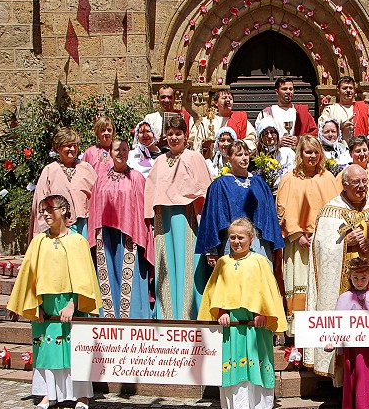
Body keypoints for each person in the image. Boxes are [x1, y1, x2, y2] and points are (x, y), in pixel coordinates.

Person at [305, 164, 369, 383]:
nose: (361, 186)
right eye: (356, 182)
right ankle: (347, 380)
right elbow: (319, 248)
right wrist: (344, 243)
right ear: (344, 185)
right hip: (345, 284)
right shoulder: (331, 211)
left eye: (364, 181)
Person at [8, 194, 101, 409]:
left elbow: (85, 277)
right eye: (43, 210)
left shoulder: (77, 241)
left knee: (74, 349)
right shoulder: (38, 241)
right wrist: (34, 304)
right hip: (45, 304)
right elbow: (29, 275)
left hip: (71, 303)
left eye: (50, 209)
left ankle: (81, 395)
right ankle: (47, 394)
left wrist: (73, 303)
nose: (45, 214)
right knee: (47, 350)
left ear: (63, 210)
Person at [198, 218, 287, 409]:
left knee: (255, 359)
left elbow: (267, 290)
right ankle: (237, 405)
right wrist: (221, 312)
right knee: (235, 359)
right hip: (232, 324)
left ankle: (258, 405)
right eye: (232, 238)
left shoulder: (260, 262)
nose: (236, 242)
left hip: (256, 324)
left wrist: (262, 312)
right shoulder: (223, 262)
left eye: (241, 237)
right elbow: (214, 291)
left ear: (251, 238)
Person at [144, 115, 212, 320]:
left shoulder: (194, 157)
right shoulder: (159, 161)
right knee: (166, 265)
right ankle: (167, 315)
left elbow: (204, 190)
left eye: (178, 134)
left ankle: (189, 314)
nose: (174, 138)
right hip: (163, 219)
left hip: (187, 217)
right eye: (170, 134)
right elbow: (151, 191)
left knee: (187, 266)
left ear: (185, 135)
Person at [275, 135, 338, 332]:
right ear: (300, 154)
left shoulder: (328, 178)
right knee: (299, 283)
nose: (312, 156)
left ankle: (323, 332)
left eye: (315, 152)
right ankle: (297, 336)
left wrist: (322, 234)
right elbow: (282, 208)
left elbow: (336, 209)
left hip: (324, 242)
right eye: (308, 152)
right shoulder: (289, 179)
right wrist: (297, 234)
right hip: (298, 243)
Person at [88, 138, 154, 318]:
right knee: (106, 274)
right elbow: (95, 208)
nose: (121, 153)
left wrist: (140, 233)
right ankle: (107, 316)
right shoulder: (100, 179)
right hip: (105, 235)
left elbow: (142, 210)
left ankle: (133, 317)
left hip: (130, 235)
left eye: (125, 149)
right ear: (110, 153)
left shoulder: (137, 178)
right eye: (117, 149)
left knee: (130, 276)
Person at [324, 257, 369, 409]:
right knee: (358, 377)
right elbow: (336, 323)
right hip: (355, 350)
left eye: (363, 278)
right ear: (350, 277)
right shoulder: (344, 298)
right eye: (356, 278)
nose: (359, 282)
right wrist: (332, 341)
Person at [196, 139, 284, 266]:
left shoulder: (260, 183)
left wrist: (274, 245)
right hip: (231, 242)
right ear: (229, 159)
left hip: (259, 243)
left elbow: (270, 216)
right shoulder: (219, 185)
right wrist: (211, 250)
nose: (244, 158)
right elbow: (211, 218)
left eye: (246, 154)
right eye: (239, 155)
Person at [30, 127, 96, 240]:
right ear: (58, 148)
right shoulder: (49, 171)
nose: (72, 149)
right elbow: (41, 201)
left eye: (75, 145)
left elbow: (98, 197)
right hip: (58, 227)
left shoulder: (86, 168)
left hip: (84, 226)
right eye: (68, 146)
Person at [317, 76, 369, 151]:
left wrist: (362, 145)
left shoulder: (363, 109)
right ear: (338, 91)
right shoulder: (330, 110)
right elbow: (321, 131)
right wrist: (340, 126)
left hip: (359, 153)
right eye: (344, 88)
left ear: (355, 90)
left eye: (350, 88)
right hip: (337, 152)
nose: (348, 90)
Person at [255, 77, 318, 149]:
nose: (288, 92)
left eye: (291, 89)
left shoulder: (302, 112)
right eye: (284, 89)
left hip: (298, 153)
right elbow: (258, 138)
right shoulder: (266, 113)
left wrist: (299, 139)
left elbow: (314, 134)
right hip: (275, 154)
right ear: (277, 91)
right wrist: (277, 142)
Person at [253, 117, 296, 186]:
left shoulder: (286, 153)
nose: (270, 136)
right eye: (266, 133)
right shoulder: (255, 156)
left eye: (272, 132)